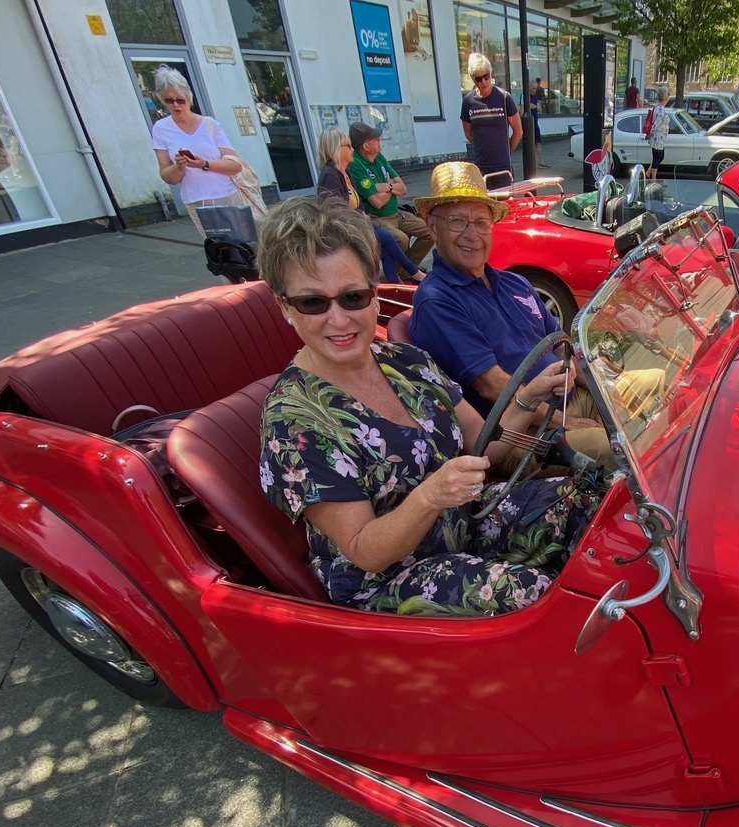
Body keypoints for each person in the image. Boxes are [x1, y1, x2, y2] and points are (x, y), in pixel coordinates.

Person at [257, 196, 597, 616]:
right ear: (285, 307)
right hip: (387, 578)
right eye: (313, 302)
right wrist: (430, 496)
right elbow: (365, 550)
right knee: (547, 601)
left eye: (352, 296)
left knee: (594, 498)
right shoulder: (294, 421)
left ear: (374, 295)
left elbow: (484, 445)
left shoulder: (407, 362)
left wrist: (527, 398)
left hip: (463, 522)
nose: (339, 319)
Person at [409, 162, 655, 467]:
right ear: (432, 227)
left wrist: (604, 390)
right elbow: (493, 386)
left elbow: (563, 347)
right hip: (518, 431)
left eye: (481, 222)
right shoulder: (437, 301)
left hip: (567, 400)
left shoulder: (514, 281)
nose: (472, 234)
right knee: (617, 449)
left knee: (655, 385)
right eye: (458, 221)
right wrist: (564, 422)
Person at [315, 127, 425, 283]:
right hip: (344, 230)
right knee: (388, 237)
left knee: (386, 247)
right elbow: (333, 211)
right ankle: (413, 272)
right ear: (336, 149)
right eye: (348, 146)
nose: (352, 149)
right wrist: (361, 216)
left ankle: (396, 286)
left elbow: (357, 203)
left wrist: (362, 213)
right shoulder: (330, 174)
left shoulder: (346, 172)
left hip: (359, 223)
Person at [149, 66, 247, 239]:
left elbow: (235, 166)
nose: (176, 105)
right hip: (197, 200)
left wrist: (204, 164)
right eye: (169, 100)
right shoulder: (161, 129)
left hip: (227, 195)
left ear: (189, 97)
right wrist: (179, 166)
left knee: (246, 246)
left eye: (180, 99)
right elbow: (167, 176)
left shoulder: (210, 125)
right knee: (220, 252)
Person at [346, 122, 433, 276]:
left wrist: (384, 187)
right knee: (401, 240)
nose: (380, 141)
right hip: (377, 217)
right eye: (376, 139)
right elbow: (377, 203)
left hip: (396, 213)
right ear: (366, 146)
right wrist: (391, 186)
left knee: (430, 230)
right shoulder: (355, 164)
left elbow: (403, 187)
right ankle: (408, 272)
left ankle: (406, 271)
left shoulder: (378, 156)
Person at [460, 53, 522, 189]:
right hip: (481, 166)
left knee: (505, 207)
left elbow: (518, 131)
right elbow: (468, 132)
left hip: (502, 166)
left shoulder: (504, 98)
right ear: (472, 79)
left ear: (490, 74)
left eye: (486, 77)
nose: (483, 82)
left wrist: (506, 150)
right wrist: (482, 146)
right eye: (478, 78)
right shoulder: (468, 101)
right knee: (484, 208)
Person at [645, 88, 671, 179]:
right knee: (657, 158)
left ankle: (648, 173)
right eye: (668, 94)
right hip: (657, 137)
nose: (669, 95)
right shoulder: (660, 109)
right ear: (664, 96)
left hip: (661, 138)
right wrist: (650, 133)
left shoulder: (661, 108)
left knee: (660, 157)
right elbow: (657, 124)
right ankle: (653, 179)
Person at [529, 78, 547, 168]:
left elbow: (539, 108)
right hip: (528, 125)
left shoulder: (535, 97)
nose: (534, 91)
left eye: (535, 89)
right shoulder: (524, 96)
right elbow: (520, 110)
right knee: (530, 144)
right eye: (533, 89)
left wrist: (534, 106)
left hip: (535, 123)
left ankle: (541, 162)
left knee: (538, 142)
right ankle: (531, 163)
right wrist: (528, 106)